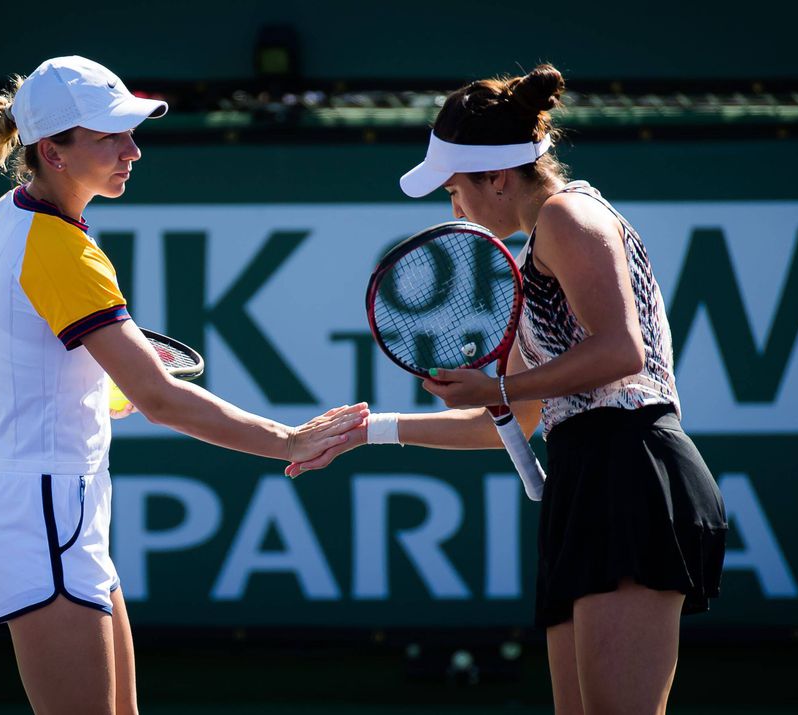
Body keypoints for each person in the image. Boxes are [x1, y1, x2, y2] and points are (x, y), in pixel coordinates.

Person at [290, 64, 726, 715]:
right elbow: (511, 420)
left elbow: (619, 350)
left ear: (496, 176)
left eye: (455, 188)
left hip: (631, 471)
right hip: (586, 481)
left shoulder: (567, 215)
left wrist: (495, 381)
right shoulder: (535, 255)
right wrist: (369, 429)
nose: (454, 206)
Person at [0, 56, 367, 715]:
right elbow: (161, 399)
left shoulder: (2, 217)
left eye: (130, 133)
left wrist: (95, 383)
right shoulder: (63, 250)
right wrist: (288, 438)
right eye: (110, 137)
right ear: (53, 152)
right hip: (46, 511)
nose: (133, 151)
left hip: (54, 507)